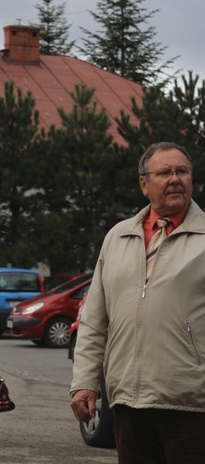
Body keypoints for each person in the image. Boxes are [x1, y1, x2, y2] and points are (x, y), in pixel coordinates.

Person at [70, 142, 205, 463]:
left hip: (191, 405)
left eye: (182, 171)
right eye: (164, 173)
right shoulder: (118, 236)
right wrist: (85, 383)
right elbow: (94, 319)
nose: (175, 179)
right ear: (144, 184)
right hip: (128, 403)